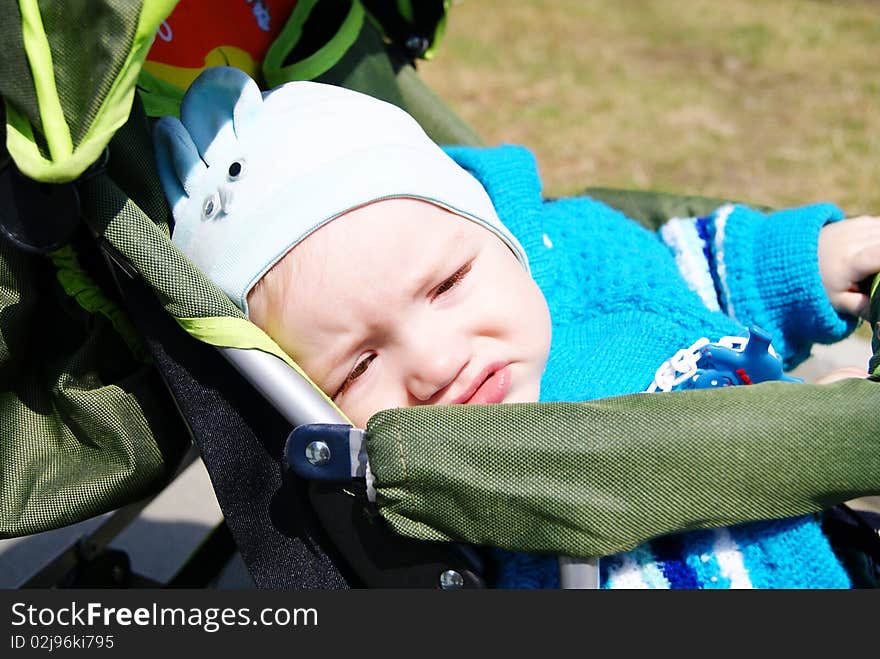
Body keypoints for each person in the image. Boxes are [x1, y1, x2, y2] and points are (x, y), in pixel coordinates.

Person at [153, 66, 880, 588]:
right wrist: (817, 423)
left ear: (504, 236)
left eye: (446, 285)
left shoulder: (572, 256)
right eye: (358, 365)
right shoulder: (442, 485)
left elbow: (689, 264)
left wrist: (807, 262)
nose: (439, 361)